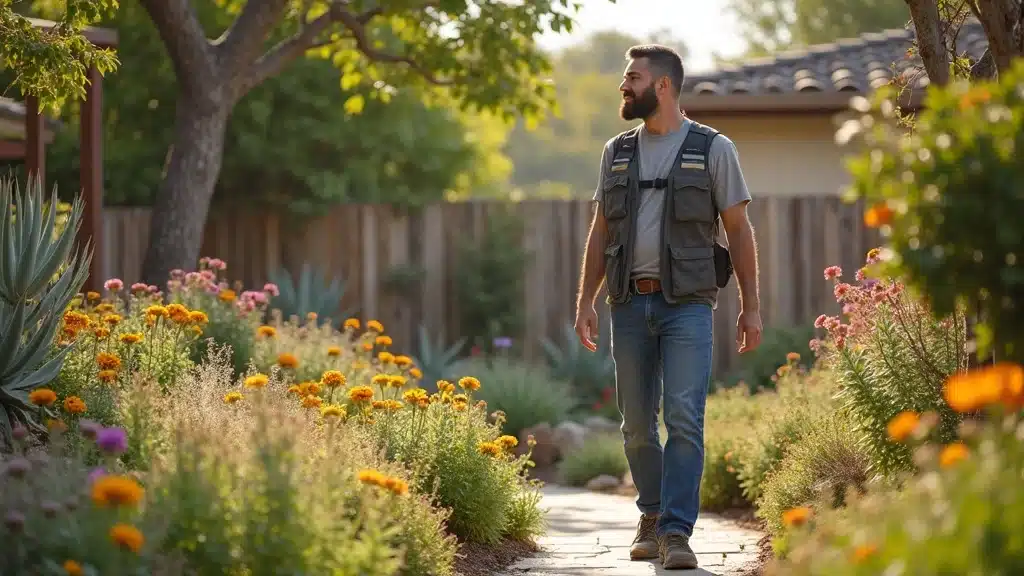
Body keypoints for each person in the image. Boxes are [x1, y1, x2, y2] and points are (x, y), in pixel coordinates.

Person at [573, 44, 762, 570]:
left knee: (684, 417)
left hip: (688, 308)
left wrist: (751, 307)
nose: (624, 85)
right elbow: (600, 230)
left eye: (632, 77)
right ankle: (652, 515)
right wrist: (585, 300)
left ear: (662, 86)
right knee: (636, 424)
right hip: (629, 304)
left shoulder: (714, 148)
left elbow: (739, 229)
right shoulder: (616, 151)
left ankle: (676, 532)